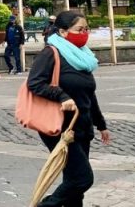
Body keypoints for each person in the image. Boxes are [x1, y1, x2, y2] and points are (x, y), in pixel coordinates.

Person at [27, 11, 111, 207]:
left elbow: (89, 93)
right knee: (82, 178)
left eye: (87, 29)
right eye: (79, 29)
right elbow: (35, 83)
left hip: (81, 126)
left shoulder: (82, 56)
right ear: (63, 32)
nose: (84, 33)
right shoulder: (51, 53)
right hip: (60, 127)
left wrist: (101, 124)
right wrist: (62, 96)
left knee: (74, 184)